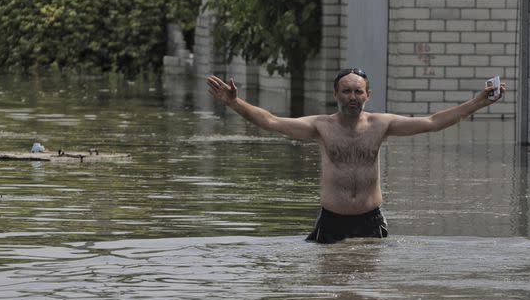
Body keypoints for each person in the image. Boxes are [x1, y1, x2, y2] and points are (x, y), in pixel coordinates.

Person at [206, 68, 506, 243]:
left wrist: (477, 102)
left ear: (367, 96)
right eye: (346, 91)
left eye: (358, 92)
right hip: (331, 220)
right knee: (329, 288)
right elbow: (271, 122)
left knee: (370, 288)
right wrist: (235, 104)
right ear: (336, 95)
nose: (352, 97)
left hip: (370, 221)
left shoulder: (381, 125)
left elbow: (432, 123)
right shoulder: (320, 126)